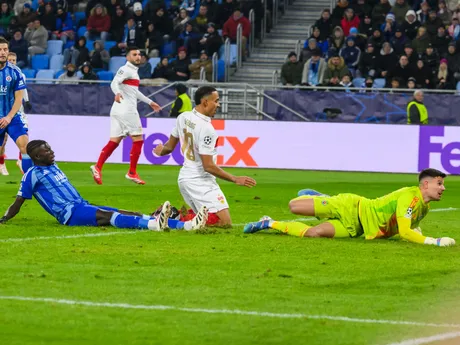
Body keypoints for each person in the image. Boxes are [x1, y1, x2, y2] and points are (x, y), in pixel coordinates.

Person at [0, 140, 208, 231]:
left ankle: (186, 226)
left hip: (81, 204)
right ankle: (155, 225)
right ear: (37, 156)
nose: (52, 151)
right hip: (70, 214)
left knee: (132, 213)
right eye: (47, 150)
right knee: (110, 218)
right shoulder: (32, 174)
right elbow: (19, 201)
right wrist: (5, 218)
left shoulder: (53, 167)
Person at [244, 169, 456, 247]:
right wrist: (433, 241)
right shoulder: (409, 197)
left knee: (314, 234)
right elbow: (406, 231)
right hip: (351, 207)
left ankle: (268, 222)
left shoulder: (423, 208)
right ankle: (324, 199)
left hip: (359, 228)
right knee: (294, 206)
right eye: (440, 183)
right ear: (425, 185)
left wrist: (415, 232)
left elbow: (403, 229)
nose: (443, 188)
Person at [153, 86, 257, 227]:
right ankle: (173, 217)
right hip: (200, 181)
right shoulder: (207, 129)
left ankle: (173, 216)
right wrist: (235, 179)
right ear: (205, 102)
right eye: (216, 101)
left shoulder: (183, 117)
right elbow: (208, 166)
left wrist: (161, 150)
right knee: (224, 223)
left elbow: (168, 147)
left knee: (204, 217)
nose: (219, 105)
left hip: (185, 178)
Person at [91, 46, 162, 186]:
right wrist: (117, 93)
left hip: (117, 109)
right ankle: (132, 172)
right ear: (128, 57)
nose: (138, 57)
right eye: (134, 54)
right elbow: (114, 83)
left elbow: (134, 92)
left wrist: (150, 102)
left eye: (139, 54)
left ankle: (98, 166)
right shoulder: (126, 69)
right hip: (126, 109)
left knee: (115, 140)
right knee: (138, 139)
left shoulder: (133, 72)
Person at [0, 36, 31, 176]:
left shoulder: (15, 71)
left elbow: (19, 99)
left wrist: (8, 117)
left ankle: (28, 182)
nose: (2, 52)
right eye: (0, 50)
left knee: (25, 146)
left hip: (12, 116)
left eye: (5, 49)